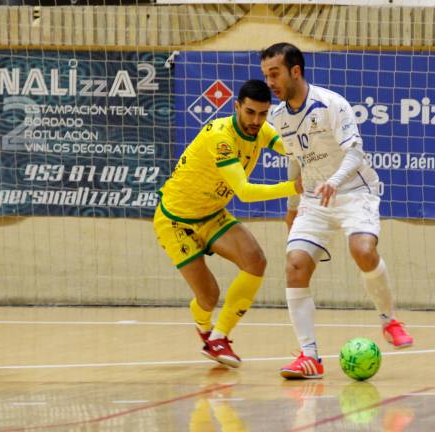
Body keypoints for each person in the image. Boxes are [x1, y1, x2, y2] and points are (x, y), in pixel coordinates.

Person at [260, 43, 414, 379]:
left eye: (274, 74)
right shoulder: (277, 116)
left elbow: (355, 153)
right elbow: (294, 160)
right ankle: (309, 356)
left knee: (362, 250)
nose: (270, 82)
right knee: (295, 264)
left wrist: (334, 181)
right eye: (265, 75)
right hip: (315, 199)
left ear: (294, 71)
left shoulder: (331, 104)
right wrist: (292, 204)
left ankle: (390, 321)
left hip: (354, 190)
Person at [154, 79, 302, 368]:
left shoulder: (259, 130)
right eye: (250, 113)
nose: (255, 121)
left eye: (262, 114)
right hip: (176, 219)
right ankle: (203, 324)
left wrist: (315, 149)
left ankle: (219, 337)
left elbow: (288, 147)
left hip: (211, 213)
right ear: (236, 107)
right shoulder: (220, 137)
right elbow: (245, 193)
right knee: (209, 297)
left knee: (256, 261)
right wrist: (294, 187)